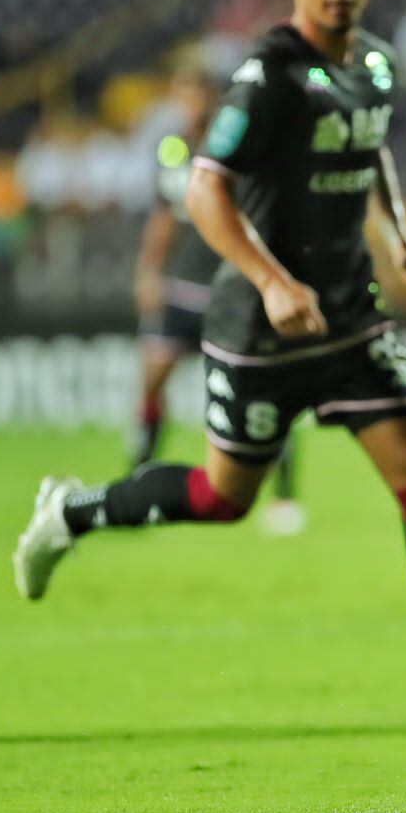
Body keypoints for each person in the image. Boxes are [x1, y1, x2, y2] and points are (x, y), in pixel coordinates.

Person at [14, 0, 406, 717]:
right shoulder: (268, 75)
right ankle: (74, 511)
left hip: (350, 315)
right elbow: (203, 187)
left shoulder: (376, 64)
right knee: (227, 499)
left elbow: (369, 152)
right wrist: (268, 279)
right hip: (260, 327)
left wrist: (400, 242)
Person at [129, 68, 306, 534]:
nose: (191, 102)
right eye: (183, 91)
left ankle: (285, 494)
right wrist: (149, 271)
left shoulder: (241, 148)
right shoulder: (172, 149)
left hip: (233, 287)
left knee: (266, 390)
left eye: (198, 92)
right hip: (181, 286)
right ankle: (138, 472)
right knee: (152, 376)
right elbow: (164, 215)